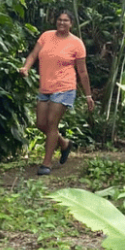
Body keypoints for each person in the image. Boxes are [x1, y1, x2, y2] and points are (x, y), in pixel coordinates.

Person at [18, 10, 94, 175]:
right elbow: (33, 55)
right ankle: (64, 143)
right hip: (45, 86)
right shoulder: (46, 36)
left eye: (65, 20)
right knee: (40, 123)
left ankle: (46, 164)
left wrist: (88, 95)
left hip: (64, 87)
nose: (61, 23)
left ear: (71, 24)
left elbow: (82, 72)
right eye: (59, 20)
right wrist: (26, 68)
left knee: (52, 123)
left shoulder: (76, 43)